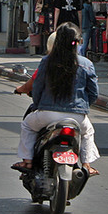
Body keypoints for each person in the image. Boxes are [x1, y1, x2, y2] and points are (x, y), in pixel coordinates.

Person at [12, 23, 99, 176]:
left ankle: (27, 161)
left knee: (27, 125)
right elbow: (93, 94)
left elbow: (37, 88)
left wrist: (38, 106)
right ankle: (86, 165)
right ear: (77, 42)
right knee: (88, 132)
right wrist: (83, 108)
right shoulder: (87, 64)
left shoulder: (47, 61)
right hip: (77, 117)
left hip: (47, 115)